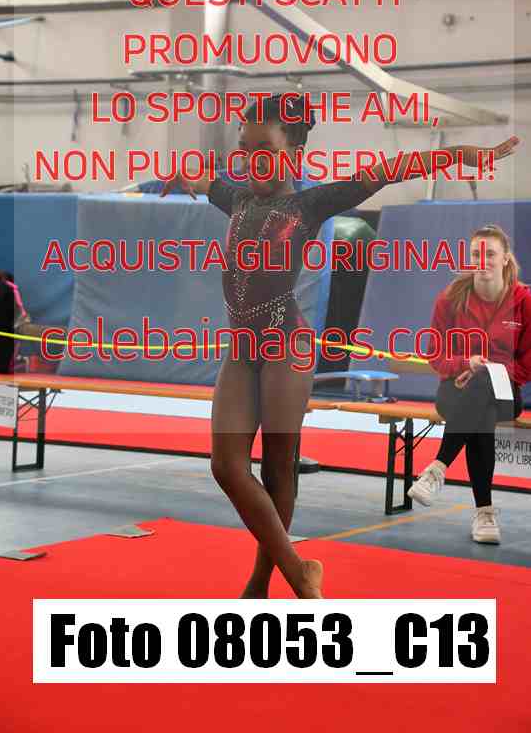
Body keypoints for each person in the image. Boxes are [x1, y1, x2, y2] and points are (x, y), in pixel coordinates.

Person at [162, 94, 519, 595]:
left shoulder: (308, 205)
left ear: (295, 152)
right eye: (244, 150)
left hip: (286, 345)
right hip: (242, 350)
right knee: (226, 466)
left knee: (278, 465)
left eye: (264, 150)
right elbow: (201, 181)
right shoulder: (236, 198)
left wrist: (460, 154)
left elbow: (392, 169)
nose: (251, 161)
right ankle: (300, 570)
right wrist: (180, 178)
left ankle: (261, 581)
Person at [408, 224, 531, 544]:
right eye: (476, 253)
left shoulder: (524, 300)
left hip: (505, 392)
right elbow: (435, 354)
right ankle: (484, 514)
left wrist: (492, 371)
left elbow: (528, 361)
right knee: (481, 412)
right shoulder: (450, 298)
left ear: (505, 258)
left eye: (490, 254)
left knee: (485, 386)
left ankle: (437, 469)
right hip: (455, 390)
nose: (482, 260)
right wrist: (465, 363)